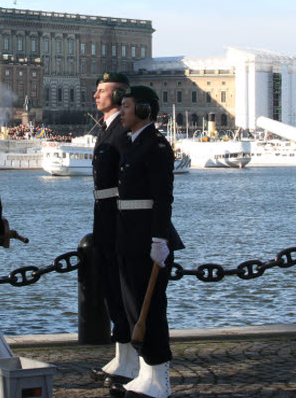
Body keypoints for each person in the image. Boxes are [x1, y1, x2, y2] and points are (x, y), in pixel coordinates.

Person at [112, 85, 183, 398]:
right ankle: (145, 372)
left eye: (126, 107)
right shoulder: (134, 143)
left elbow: (162, 198)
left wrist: (159, 238)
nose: (122, 112)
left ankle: (160, 377)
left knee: (151, 307)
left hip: (146, 236)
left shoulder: (155, 145)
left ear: (143, 110)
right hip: (129, 233)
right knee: (133, 304)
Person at [89, 72, 139, 388]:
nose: (96, 95)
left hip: (118, 217)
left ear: (119, 96)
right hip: (105, 214)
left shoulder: (122, 130)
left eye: (102, 91)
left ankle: (132, 361)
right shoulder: (109, 128)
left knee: (123, 288)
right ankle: (122, 355)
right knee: (111, 286)